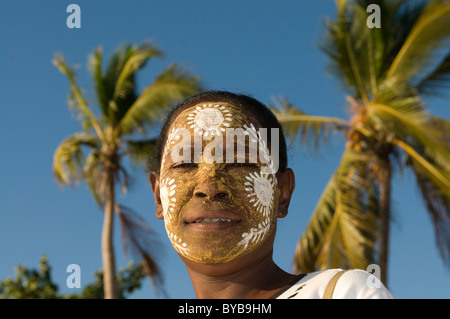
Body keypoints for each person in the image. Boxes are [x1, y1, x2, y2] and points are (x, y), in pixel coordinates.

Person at [148, 90, 393, 299]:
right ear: (158, 196)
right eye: (184, 164)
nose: (209, 186)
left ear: (282, 193)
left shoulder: (345, 292)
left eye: (239, 162)